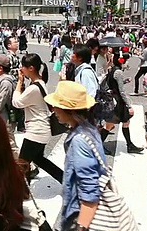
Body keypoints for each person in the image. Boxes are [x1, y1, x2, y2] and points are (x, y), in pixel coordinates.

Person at [44, 81, 104, 231]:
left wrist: (81, 226)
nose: (53, 109)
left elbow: (89, 189)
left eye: (56, 106)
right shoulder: (89, 128)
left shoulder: (78, 140)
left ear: (68, 110)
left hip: (78, 214)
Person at [12, 53, 63, 182]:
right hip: (42, 129)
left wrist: (19, 81)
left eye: (23, 66)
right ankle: (66, 180)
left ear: (31, 68)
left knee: (22, 164)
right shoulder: (40, 82)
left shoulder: (34, 88)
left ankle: (22, 191)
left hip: (36, 131)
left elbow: (16, 102)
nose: (21, 69)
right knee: (39, 160)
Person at [100, 51, 144, 154]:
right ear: (122, 60)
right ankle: (98, 144)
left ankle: (130, 145)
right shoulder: (118, 72)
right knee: (110, 124)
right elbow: (121, 91)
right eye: (127, 60)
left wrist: (124, 81)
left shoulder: (112, 70)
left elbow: (113, 85)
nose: (127, 63)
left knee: (125, 122)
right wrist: (129, 105)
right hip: (118, 101)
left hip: (114, 99)